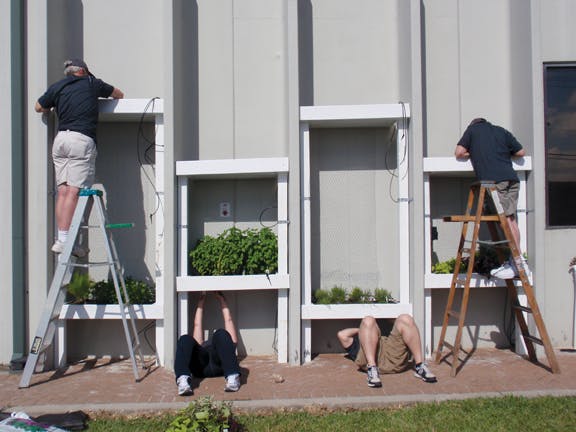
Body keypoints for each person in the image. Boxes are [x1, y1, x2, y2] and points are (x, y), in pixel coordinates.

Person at [35, 59, 124, 256]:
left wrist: (51, 107)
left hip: (61, 140)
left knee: (63, 190)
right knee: (74, 192)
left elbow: (38, 106)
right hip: (81, 139)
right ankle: (66, 241)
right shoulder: (92, 83)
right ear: (83, 71)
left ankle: (63, 239)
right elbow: (118, 94)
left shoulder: (58, 87)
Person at [454, 118, 527, 279]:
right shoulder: (501, 131)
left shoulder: (472, 131)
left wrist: (473, 152)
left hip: (495, 182)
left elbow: (459, 152)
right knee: (511, 219)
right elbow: (521, 152)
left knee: (506, 221)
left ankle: (518, 262)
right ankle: (516, 260)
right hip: (511, 179)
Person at [337, 314, 437, 388]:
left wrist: (367, 330)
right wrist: (364, 330)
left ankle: (420, 366)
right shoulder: (359, 347)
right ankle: (372, 369)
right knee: (368, 320)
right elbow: (342, 335)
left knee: (406, 318)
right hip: (371, 359)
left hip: (393, 356)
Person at [174, 292, 242, 396]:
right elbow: (197, 325)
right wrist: (201, 301)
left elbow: (228, 320)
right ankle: (183, 381)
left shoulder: (224, 344)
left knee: (221, 333)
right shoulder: (201, 346)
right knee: (185, 339)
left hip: (221, 365)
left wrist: (222, 300)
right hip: (201, 366)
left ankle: (232, 377)